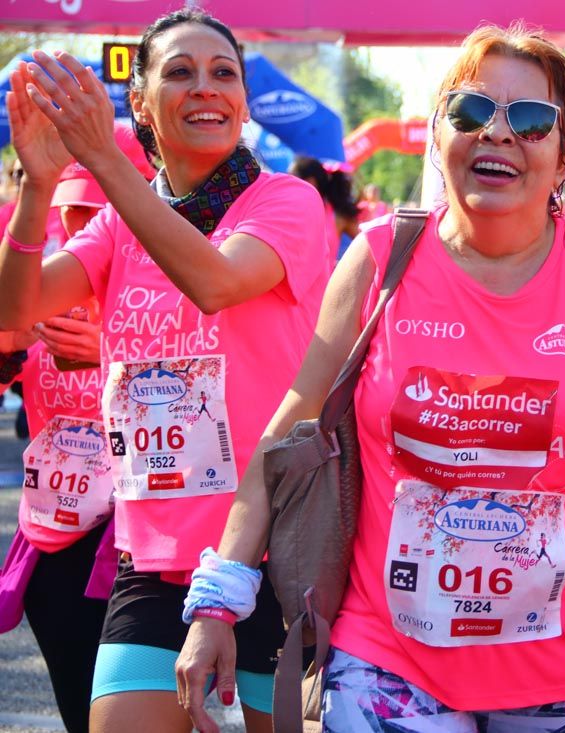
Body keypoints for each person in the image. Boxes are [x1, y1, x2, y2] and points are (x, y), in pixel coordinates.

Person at [176, 23, 565, 733]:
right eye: (471, 110)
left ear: (564, 153)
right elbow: (289, 431)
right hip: (389, 659)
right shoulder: (380, 259)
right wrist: (218, 599)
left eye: (530, 119)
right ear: (439, 133)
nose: (497, 133)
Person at [0, 9, 329, 732]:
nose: (206, 87)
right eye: (180, 72)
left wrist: (105, 161)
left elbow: (214, 280)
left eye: (223, 73)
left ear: (243, 101)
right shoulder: (120, 220)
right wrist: (37, 187)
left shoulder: (287, 202)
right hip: (152, 555)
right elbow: (15, 307)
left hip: (273, 550)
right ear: (143, 104)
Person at [0, 123, 156, 733]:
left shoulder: (173, 288)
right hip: (56, 542)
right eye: (72, 208)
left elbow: (224, 403)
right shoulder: (40, 294)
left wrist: (116, 352)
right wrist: (10, 344)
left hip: (148, 545)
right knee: (80, 712)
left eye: (100, 206)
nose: (83, 225)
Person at [289, 155, 359, 265]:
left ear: (310, 182)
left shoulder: (338, 215)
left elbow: (369, 244)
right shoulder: (287, 212)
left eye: (291, 179)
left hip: (328, 277)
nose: (286, 184)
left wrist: (346, 268)